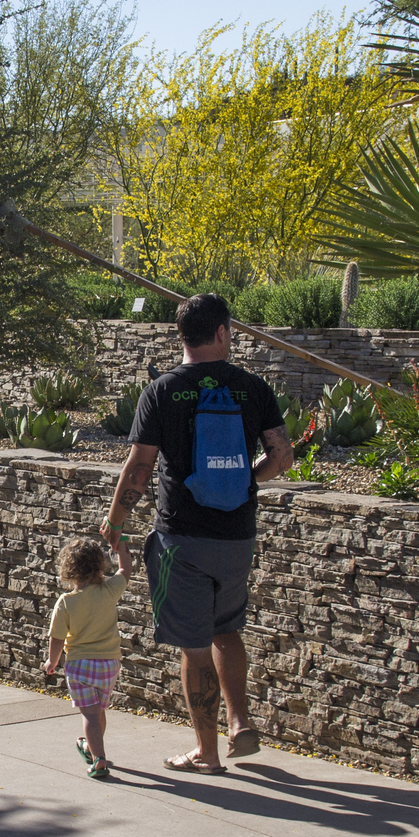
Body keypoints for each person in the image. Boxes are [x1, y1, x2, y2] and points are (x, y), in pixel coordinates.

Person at [102, 293, 293, 774]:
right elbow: (282, 456)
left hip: (181, 539)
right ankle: (239, 720)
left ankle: (207, 752)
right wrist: (248, 477)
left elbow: (140, 467)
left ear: (180, 336)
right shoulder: (252, 387)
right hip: (237, 535)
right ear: (223, 333)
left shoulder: (162, 391)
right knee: (227, 630)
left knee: (194, 645)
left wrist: (116, 523)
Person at [42, 537, 128, 781]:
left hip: (80, 665)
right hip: (109, 664)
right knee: (99, 710)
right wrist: (120, 546)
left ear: (69, 569)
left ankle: (99, 759)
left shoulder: (66, 602)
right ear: (99, 567)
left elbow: (57, 638)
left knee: (89, 714)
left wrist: (52, 661)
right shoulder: (110, 590)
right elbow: (126, 570)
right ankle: (91, 747)